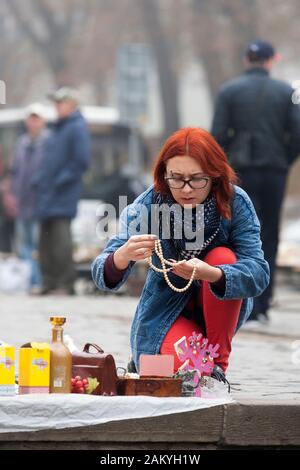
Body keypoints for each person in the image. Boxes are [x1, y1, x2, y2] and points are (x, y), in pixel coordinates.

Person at [91, 127, 269, 388]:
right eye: (176, 178)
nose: (186, 189)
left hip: (219, 313)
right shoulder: (150, 202)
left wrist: (213, 274)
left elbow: (259, 273)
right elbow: (101, 273)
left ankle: (217, 368)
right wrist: (121, 256)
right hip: (165, 314)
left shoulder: (235, 201)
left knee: (223, 257)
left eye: (197, 179)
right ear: (164, 174)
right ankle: (154, 360)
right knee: (182, 376)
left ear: (214, 175)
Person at [211, 39, 300, 326]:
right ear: (271, 61)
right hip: (274, 170)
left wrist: (224, 167)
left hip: (239, 171)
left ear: (247, 60)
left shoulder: (228, 91)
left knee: (238, 232)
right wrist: (284, 159)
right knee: (269, 233)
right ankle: (263, 304)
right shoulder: (287, 92)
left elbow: (218, 136)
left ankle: (240, 301)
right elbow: (297, 133)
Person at [36, 87, 90, 295]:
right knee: (46, 241)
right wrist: (40, 180)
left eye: (61, 103)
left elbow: (80, 162)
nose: (57, 107)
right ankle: (49, 282)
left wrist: (60, 181)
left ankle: (65, 284)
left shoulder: (76, 127)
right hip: (48, 193)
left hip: (63, 193)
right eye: (56, 103)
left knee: (60, 241)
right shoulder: (58, 128)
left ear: (72, 104)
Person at [10, 103, 50, 291]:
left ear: (43, 121)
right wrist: (13, 195)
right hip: (22, 204)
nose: (33, 122)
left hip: (39, 204)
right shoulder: (22, 143)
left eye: (37, 118)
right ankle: (28, 281)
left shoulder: (49, 142)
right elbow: (16, 172)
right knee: (23, 245)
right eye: (31, 118)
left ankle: (38, 281)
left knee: (37, 246)